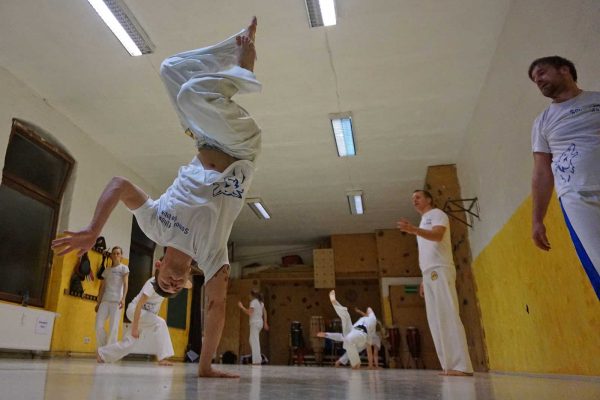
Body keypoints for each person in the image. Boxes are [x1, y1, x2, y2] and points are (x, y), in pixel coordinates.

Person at [52, 17, 262, 378]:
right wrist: (206, 365)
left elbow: (118, 184)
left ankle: (236, 46)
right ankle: (244, 67)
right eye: (175, 289)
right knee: (191, 94)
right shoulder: (211, 254)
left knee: (171, 69)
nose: (171, 285)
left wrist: (91, 228)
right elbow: (215, 306)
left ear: (158, 267)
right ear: (187, 280)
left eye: (165, 283)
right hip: (240, 148)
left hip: (203, 139)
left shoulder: (154, 226)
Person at [528, 56, 600, 299]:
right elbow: (541, 170)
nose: (537, 79)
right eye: (534, 79)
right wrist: (537, 219)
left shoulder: (597, 99)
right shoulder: (542, 122)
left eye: (541, 72)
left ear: (565, 70)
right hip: (577, 197)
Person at [397, 190, 473, 376]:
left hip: (440, 268)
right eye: (412, 198)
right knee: (436, 321)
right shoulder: (423, 221)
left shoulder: (438, 214)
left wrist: (413, 229)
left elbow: (438, 236)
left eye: (418, 197)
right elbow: (427, 252)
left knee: (448, 316)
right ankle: (448, 365)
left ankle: (462, 366)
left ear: (429, 199)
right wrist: (423, 278)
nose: (414, 200)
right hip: (429, 274)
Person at [97, 265, 178, 366]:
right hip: (135, 311)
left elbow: (188, 284)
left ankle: (102, 354)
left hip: (145, 316)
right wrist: (135, 327)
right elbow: (139, 305)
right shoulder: (152, 283)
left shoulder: (167, 285)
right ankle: (163, 358)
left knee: (130, 342)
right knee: (160, 323)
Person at [316, 290, 375, 369]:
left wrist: (370, 365)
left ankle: (356, 363)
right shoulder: (368, 320)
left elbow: (369, 309)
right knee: (346, 325)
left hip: (358, 333)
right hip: (357, 332)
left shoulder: (369, 319)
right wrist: (370, 365)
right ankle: (334, 302)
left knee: (346, 326)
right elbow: (369, 349)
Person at [95, 246, 129, 348]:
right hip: (105, 301)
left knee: (113, 328)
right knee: (98, 326)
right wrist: (98, 302)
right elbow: (102, 287)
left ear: (121, 256)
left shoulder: (124, 268)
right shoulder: (107, 270)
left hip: (116, 301)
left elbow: (126, 284)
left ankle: (108, 351)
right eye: (114, 253)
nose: (115, 255)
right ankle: (104, 348)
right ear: (111, 256)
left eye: (118, 253)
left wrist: (123, 299)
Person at [237, 289, 269, 365]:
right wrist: (265, 323)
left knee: (254, 341)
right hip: (259, 323)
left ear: (252, 295)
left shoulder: (253, 302)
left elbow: (249, 312)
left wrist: (241, 307)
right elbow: (265, 312)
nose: (248, 296)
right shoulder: (261, 303)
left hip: (254, 323)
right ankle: (258, 359)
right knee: (253, 340)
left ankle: (257, 361)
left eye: (249, 295)